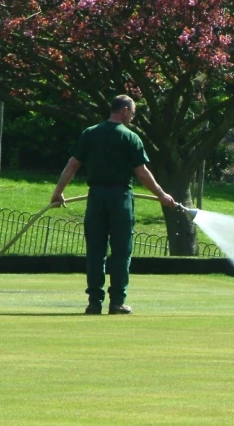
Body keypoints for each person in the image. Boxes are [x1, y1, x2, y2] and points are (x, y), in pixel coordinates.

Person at [50, 95, 177, 315]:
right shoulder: (130, 137)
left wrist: (57, 193)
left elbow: (72, 165)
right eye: (133, 112)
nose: (134, 116)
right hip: (120, 198)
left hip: (96, 197)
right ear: (125, 110)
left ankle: (94, 302)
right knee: (121, 251)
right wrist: (161, 194)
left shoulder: (90, 133)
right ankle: (117, 302)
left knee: (95, 251)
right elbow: (142, 172)